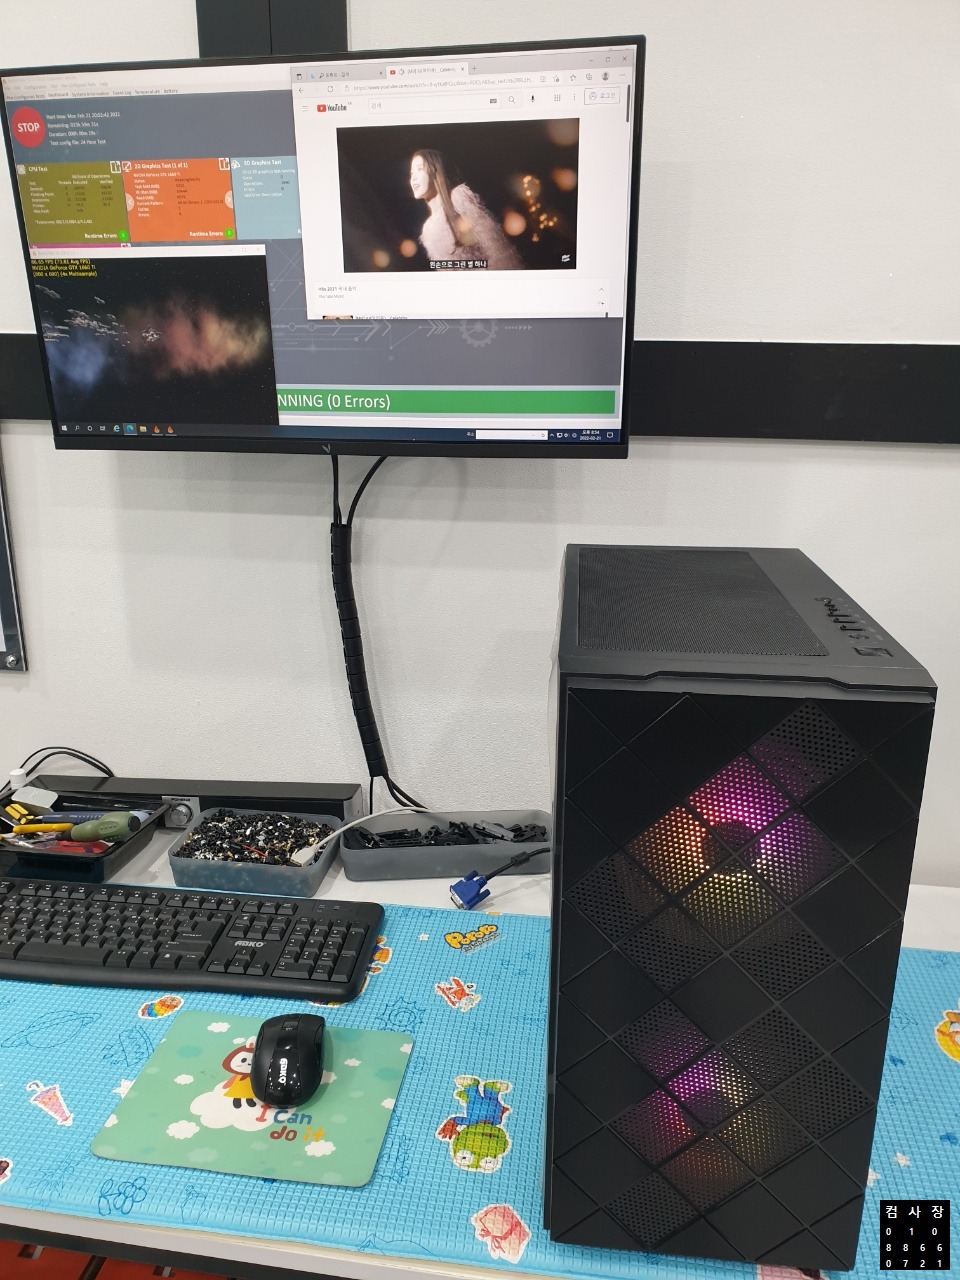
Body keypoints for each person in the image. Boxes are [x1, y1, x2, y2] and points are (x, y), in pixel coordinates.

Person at [409, 149, 523, 270]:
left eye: (419, 169)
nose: (413, 178)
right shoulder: (427, 228)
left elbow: (495, 247)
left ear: (435, 171)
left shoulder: (458, 198)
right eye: (411, 173)